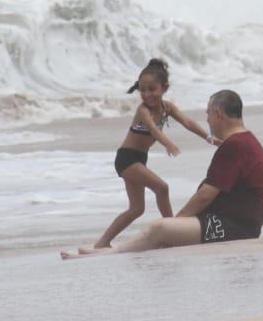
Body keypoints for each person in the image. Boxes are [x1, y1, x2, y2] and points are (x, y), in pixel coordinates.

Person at [64, 90, 263, 258]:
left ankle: (109, 253)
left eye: (208, 114)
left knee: (160, 229)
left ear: (218, 114)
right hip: (237, 223)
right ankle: (108, 249)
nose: (206, 119)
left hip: (232, 228)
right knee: (163, 231)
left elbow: (205, 195)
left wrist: (176, 223)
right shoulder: (246, 140)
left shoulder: (235, 145)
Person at [89, 59, 217, 250]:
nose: (147, 94)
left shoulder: (167, 108)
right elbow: (152, 130)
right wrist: (168, 143)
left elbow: (188, 122)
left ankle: (102, 242)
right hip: (127, 158)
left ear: (164, 88)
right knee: (162, 188)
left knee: (136, 209)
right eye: (143, 90)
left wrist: (208, 138)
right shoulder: (143, 110)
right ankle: (173, 233)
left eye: (152, 89)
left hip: (139, 159)